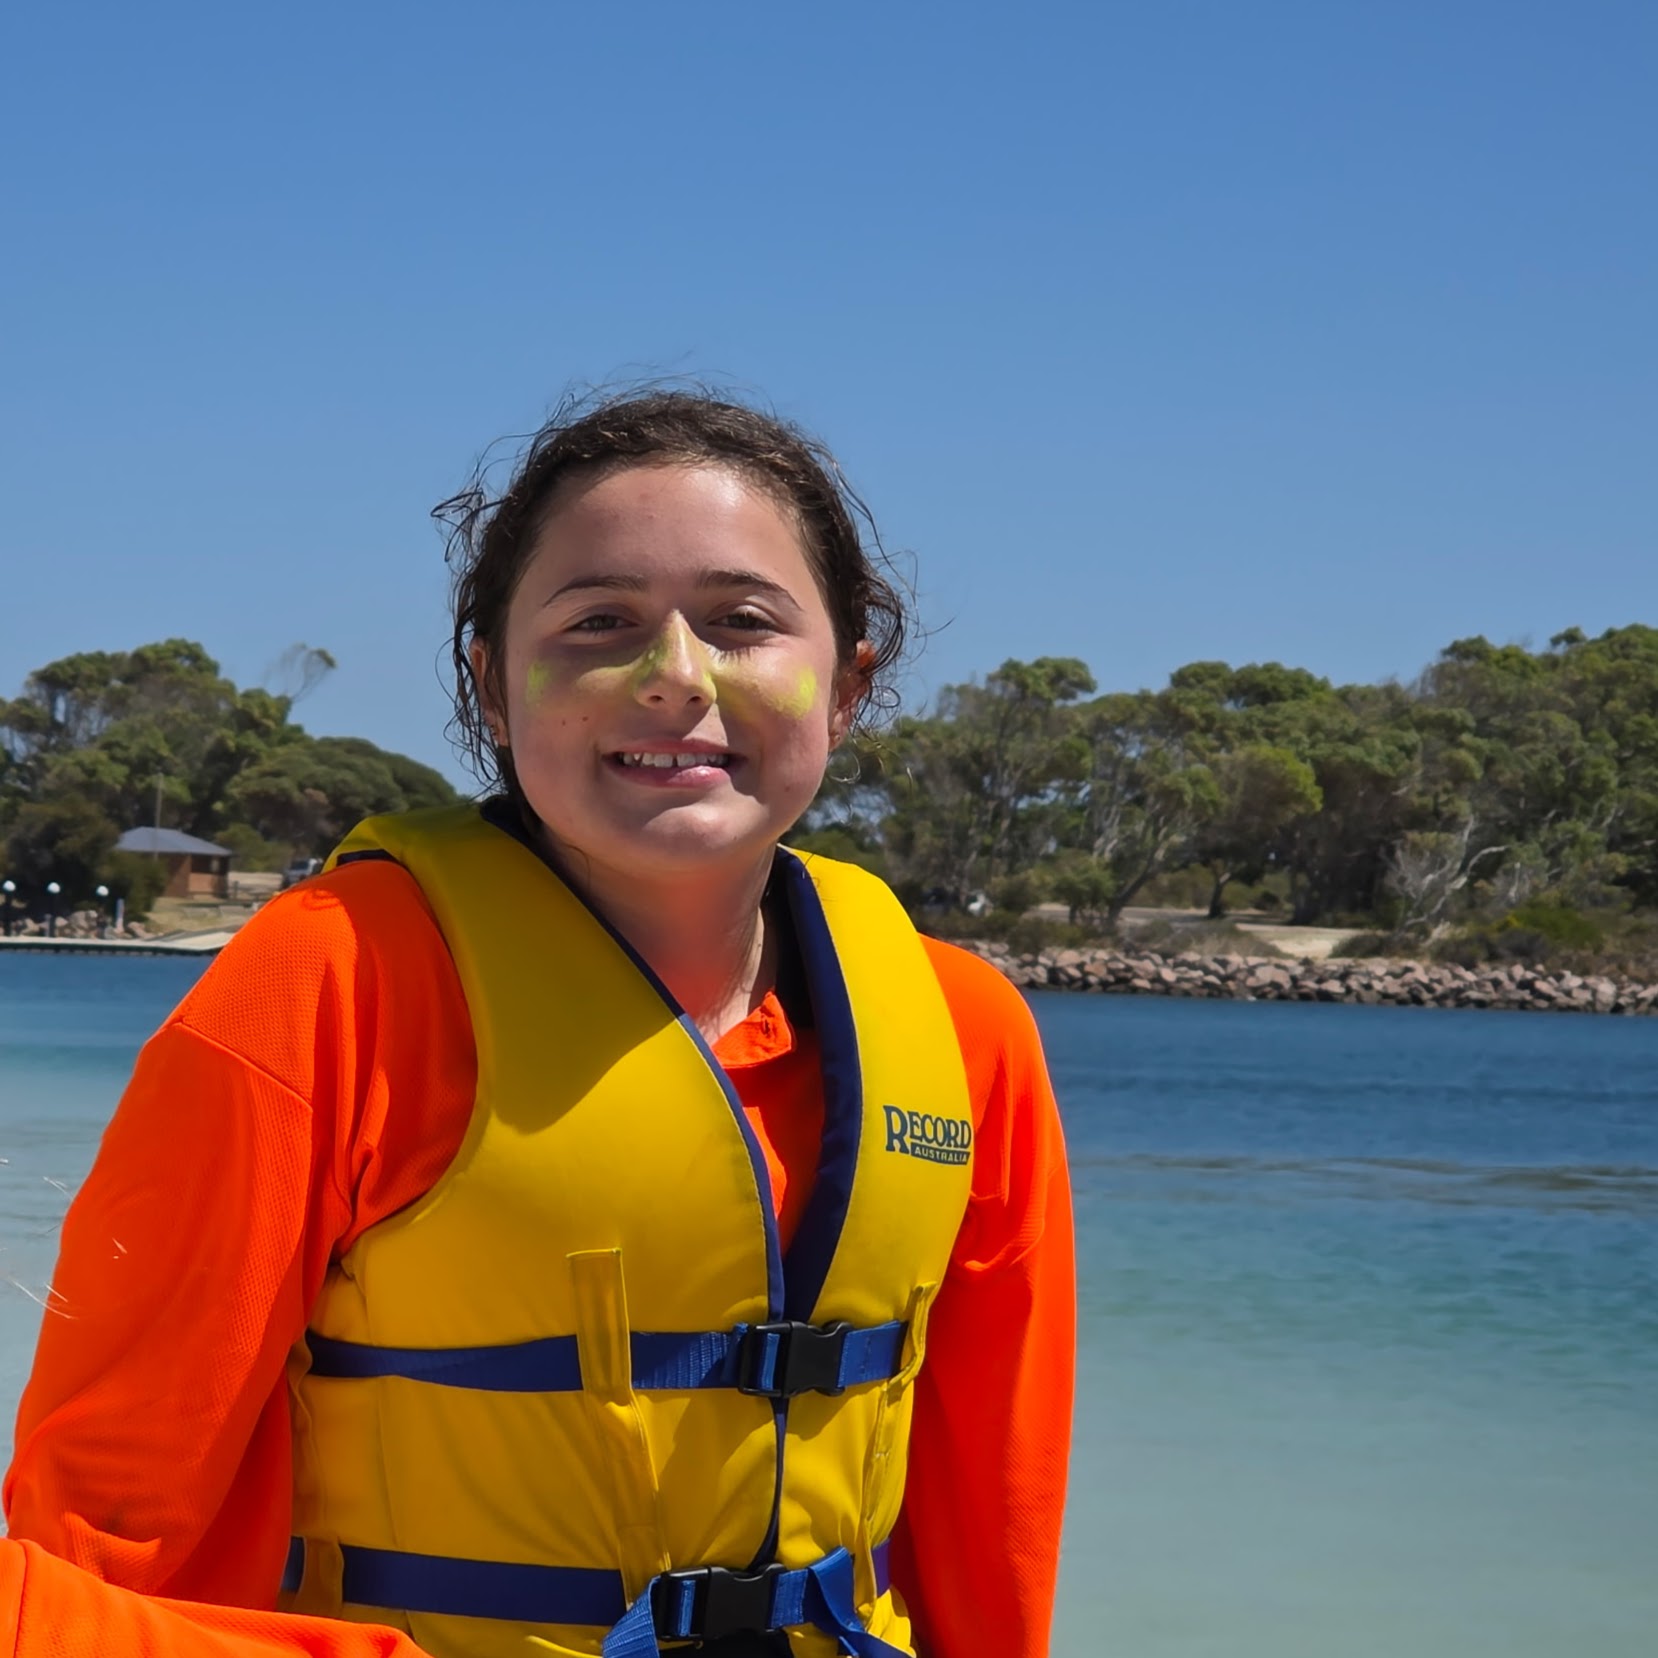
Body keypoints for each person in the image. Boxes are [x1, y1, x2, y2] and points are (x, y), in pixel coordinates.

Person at [5, 391, 1074, 1658]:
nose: (676, 676)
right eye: (597, 622)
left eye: (742, 622)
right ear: (491, 686)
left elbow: (992, 1525)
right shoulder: (330, 982)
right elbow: (86, 1549)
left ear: (846, 683)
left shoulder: (965, 1031)